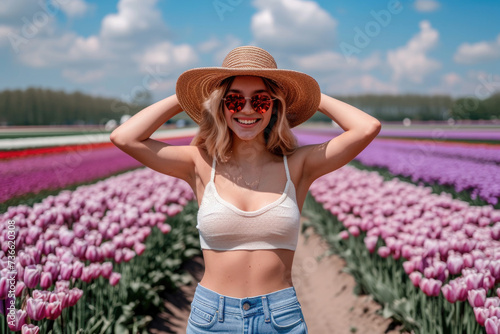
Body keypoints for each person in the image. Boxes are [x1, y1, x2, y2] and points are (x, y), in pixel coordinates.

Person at [110, 46, 381, 333]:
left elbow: (367, 128)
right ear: (221, 107)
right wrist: (188, 96)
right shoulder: (200, 164)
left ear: (276, 106)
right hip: (212, 318)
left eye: (262, 101)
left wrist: (305, 95)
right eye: (235, 101)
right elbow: (125, 137)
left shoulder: (298, 165)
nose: (248, 109)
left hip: (279, 320)